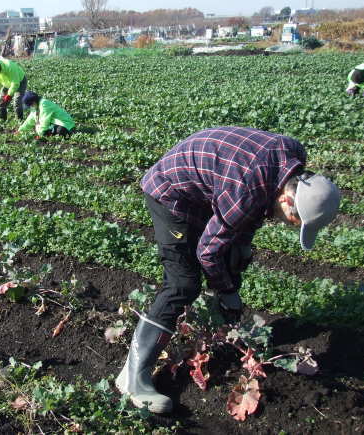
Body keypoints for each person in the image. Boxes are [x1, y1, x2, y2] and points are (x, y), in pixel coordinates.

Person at [116, 126, 341, 414]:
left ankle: (219, 323)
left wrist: (240, 251)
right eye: (292, 222)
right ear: (287, 199)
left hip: (210, 183)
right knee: (183, 283)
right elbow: (207, 252)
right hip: (170, 191)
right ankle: (132, 378)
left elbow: (249, 208)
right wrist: (227, 290)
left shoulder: (294, 155)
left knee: (235, 254)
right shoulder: (246, 190)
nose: (287, 225)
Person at [0, 57, 27, 121]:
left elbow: (15, 83)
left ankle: (19, 120)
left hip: (20, 82)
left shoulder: (10, 66)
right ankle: (2, 120)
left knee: (17, 102)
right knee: (0, 103)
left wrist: (9, 95)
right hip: (7, 83)